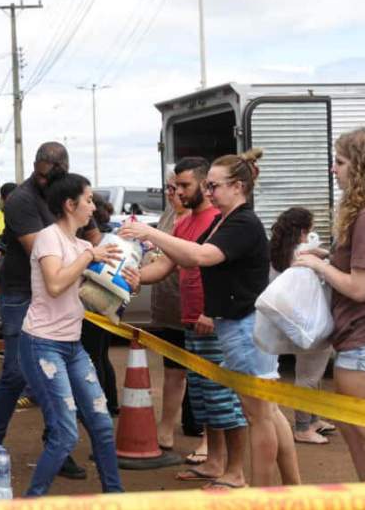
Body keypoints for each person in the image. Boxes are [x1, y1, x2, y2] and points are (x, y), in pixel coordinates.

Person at [124, 151, 299, 489]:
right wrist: (142, 265)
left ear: (237, 186)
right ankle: (290, 487)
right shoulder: (228, 220)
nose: (209, 192)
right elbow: (182, 257)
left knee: (259, 417)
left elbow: (201, 256)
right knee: (268, 414)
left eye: (214, 186)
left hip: (245, 328)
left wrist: (150, 232)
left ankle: (261, 494)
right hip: (240, 327)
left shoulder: (242, 223)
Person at [295, 127, 365, 481]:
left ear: (361, 166)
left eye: (340, 162)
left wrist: (319, 264)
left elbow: (361, 288)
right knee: (360, 439)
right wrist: (330, 256)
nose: (334, 169)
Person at [0, 141, 88, 481]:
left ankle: (57, 447)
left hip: (58, 294)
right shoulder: (21, 200)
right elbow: (41, 251)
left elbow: (91, 234)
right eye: (42, 176)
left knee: (59, 373)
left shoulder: (68, 195)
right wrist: (85, 255)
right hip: (21, 294)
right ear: (36, 167)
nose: (46, 182)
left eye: (52, 177)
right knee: (15, 372)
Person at [20, 172, 130, 496]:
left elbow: (92, 298)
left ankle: (116, 496)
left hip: (72, 346)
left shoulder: (82, 244)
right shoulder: (48, 238)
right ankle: (32, 500)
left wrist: (123, 286)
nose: (93, 207)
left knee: (103, 425)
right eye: (88, 199)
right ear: (70, 204)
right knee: (66, 435)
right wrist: (88, 258)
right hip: (42, 344)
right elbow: (55, 284)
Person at [147, 172, 204, 452]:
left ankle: (204, 434)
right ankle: (166, 428)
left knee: (201, 375)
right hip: (169, 306)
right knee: (173, 371)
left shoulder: (201, 218)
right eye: (170, 188)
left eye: (180, 187)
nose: (173, 193)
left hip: (195, 310)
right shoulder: (167, 217)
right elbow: (163, 261)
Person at [269, 207, 336, 444]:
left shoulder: (280, 252)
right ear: (301, 232)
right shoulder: (302, 257)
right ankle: (302, 427)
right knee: (308, 375)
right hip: (311, 322)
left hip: (294, 321)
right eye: (310, 230)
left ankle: (313, 419)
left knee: (310, 373)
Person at [78, 193, 119, 416]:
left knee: (93, 356)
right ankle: (111, 404)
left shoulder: (96, 240)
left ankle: (100, 406)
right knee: (101, 354)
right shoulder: (111, 236)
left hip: (91, 302)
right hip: (106, 302)